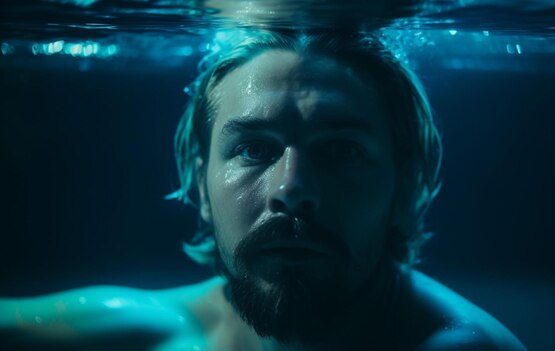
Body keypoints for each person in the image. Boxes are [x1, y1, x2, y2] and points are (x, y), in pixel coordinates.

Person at [0, 30, 526, 351]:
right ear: (199, 184)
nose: (292, 189)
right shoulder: (140, 331)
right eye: (253, 149)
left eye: (341, 150)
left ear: (406, 184)